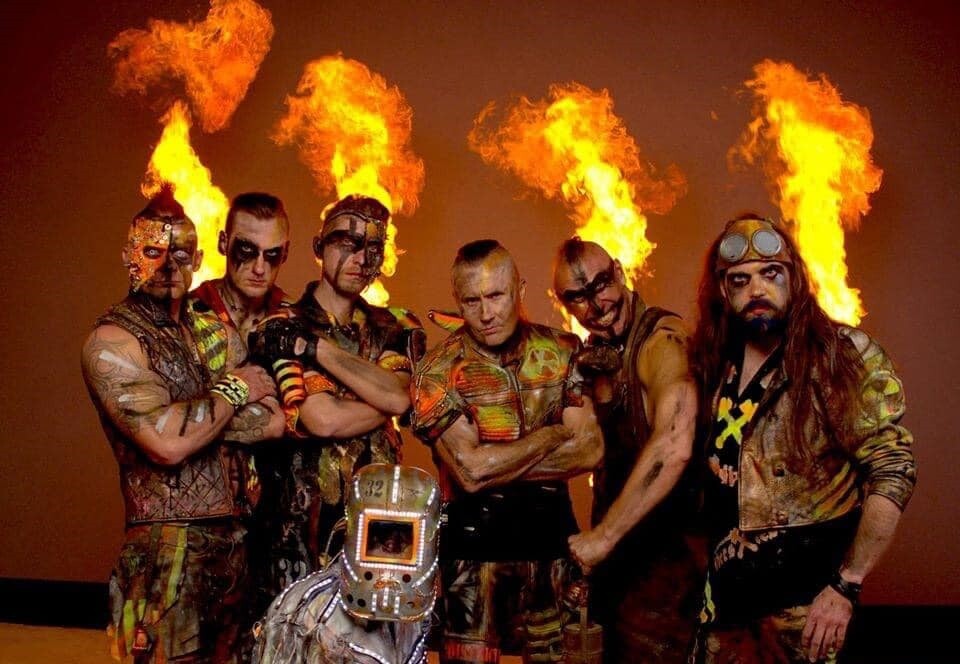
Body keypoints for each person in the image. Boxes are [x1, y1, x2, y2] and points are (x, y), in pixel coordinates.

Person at [687, 215, 917, 663]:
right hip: (725, 612)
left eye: (770, 273)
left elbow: (893, 469)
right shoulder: (716, 360)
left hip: (805, 616)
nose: (756, 290)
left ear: (794, 277)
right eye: (740, 280)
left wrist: (846, 585)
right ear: (723, 291)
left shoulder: (840, 356)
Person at [81, 186, 284, 663]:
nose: (168, 266)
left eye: (180, 253)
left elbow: (273, 421)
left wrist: (191, 416)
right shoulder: (113, 340)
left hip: (236, 549)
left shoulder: (210, 330)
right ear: (129, 256)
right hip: (164, 555)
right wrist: (232, 391)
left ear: (197, 260)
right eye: (153, 251)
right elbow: (166, 443)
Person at [411, 239, 603, 664]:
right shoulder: (438, 371)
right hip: (472, 556)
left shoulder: (562, 351)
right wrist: (551, 434)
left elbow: (590, 450)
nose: (486, 313)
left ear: (520, 289)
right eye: (472, 301)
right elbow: (470, 473)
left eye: (496, 295)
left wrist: (492, 461)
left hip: (552, 547)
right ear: (457, 302)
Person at [247, 194, 423, 607]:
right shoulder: (280, 326)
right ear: (318, 247)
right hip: (297, 535)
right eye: (346, 242)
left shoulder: (395, 326)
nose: (361, 258)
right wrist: (380, 396)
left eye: (373, 247)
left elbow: (399, 398)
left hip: (378, 532)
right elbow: (323, 419)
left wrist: (315, 350)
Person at [552, 237, 701, 663]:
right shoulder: (599, 352)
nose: (596, 306)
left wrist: (603, 537)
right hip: (619, 573)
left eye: (601, 285)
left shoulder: (662, 341)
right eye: (578, 297)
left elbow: (674, 442)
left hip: (670, 576)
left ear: (619, 272)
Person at [254, 464, 440, 664]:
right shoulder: (307, 611)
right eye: (381, 534)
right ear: (354, 531)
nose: (392, 543)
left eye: (404, 538)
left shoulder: (412, 616)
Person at [192, 192, 290, 342]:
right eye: (246, 249)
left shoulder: (294, 316)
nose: (259, 269)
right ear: (223, 243)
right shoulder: (188, 311)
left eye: (271, 254)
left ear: (285, 253)